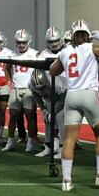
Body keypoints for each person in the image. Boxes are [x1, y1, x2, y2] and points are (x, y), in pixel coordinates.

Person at [49, 20, 99, 191]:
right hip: (89, 94)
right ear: (88, 35)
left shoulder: (65, 51)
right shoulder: (91, 48)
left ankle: (66, 181)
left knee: (69, 139)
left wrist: (64, 60)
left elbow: (53, 71)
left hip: (72, 95)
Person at [3, 29, 41, 152]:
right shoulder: (12, 54)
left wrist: (37, 83)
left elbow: (41, 69)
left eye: (23, 42)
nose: (21, 45)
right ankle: (10, 142)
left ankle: (30, 142)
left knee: (30, 115)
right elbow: (6, 68)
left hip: (29, 89)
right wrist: (9, 81)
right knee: (13, 115)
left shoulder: (35, 54)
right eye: (19, 42)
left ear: (28, 42)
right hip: (16, 88)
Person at [34, 26, 67, 158]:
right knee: (47, 119)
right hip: (48, 92)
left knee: (60, 119)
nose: (53, 43)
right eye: (51, 41)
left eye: (56, 40)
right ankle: (49, 146)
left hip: (65, 91)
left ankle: (62, 148)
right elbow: (37, 74)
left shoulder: (67, 51)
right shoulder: (43, 54)